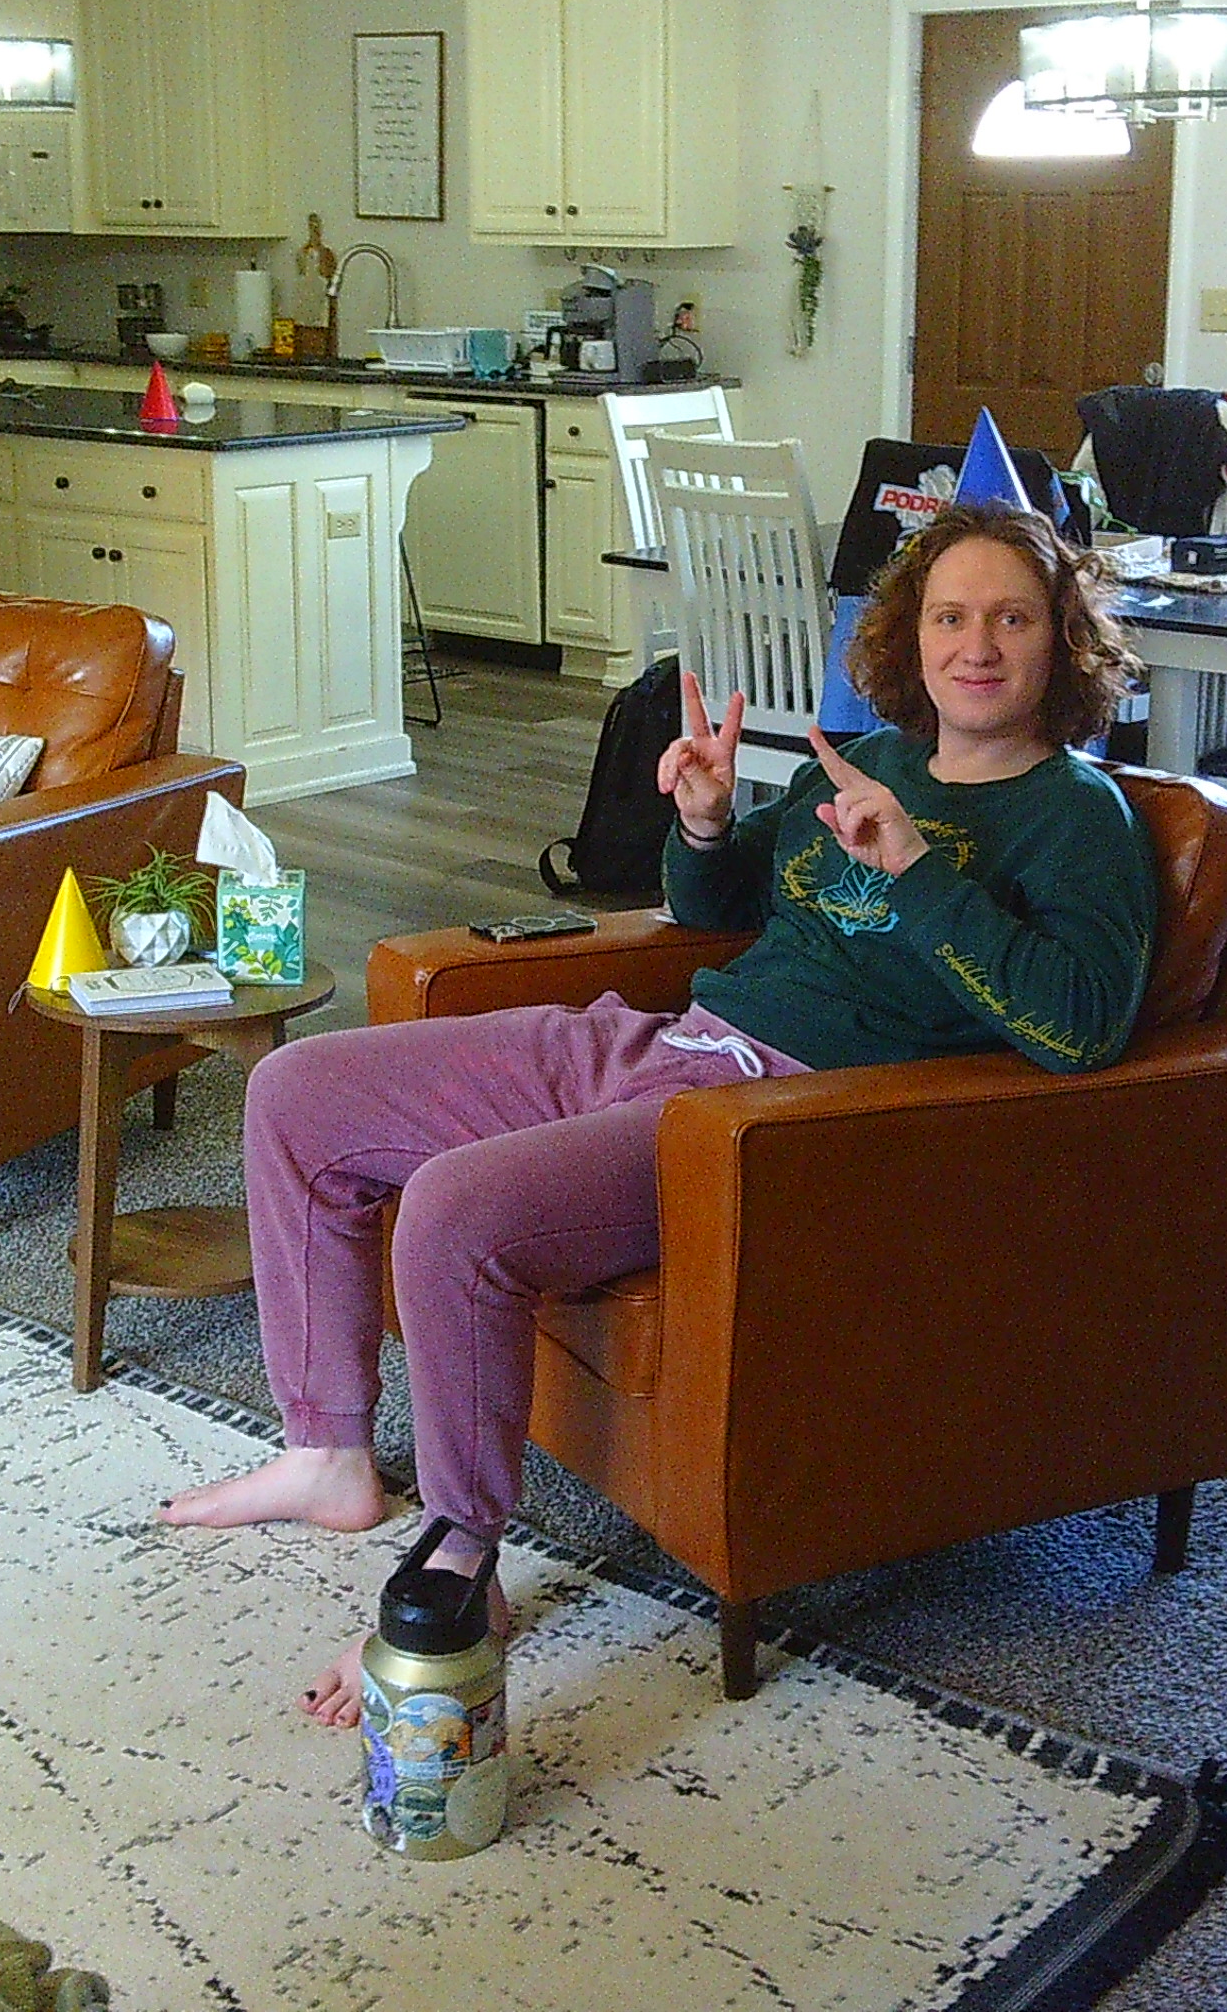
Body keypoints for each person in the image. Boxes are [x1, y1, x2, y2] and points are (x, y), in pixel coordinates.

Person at [158, 500, 1162, 1722]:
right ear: (913, 632)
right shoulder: (874, 761)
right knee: (297, 1091)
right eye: (951, 615)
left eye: (1014, 617)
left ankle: (465, 1550)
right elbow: (719, 905)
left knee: (457, 1210)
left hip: (782, 1122)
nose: (979, 645)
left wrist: (919, 873)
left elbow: (1080, 1030)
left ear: (1063, 640)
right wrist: (700, 820)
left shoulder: (1078, 820)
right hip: (667, 1041)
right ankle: (325, 1452)